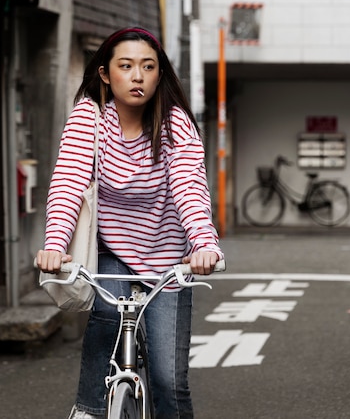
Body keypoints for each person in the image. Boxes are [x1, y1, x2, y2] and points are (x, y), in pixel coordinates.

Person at [36, 26, 224, 419]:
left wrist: (204, 244)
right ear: (106, 73)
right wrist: (55, 244)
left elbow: (190, 187)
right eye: (126, 66)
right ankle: (88, 411)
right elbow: (68, 180)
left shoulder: (176, 124)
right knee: (106, 322)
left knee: (169, 382)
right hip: (113, 252)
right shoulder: (89, 117)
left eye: (148, 67)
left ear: (160, 74)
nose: (137, 76)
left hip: (171, 259)